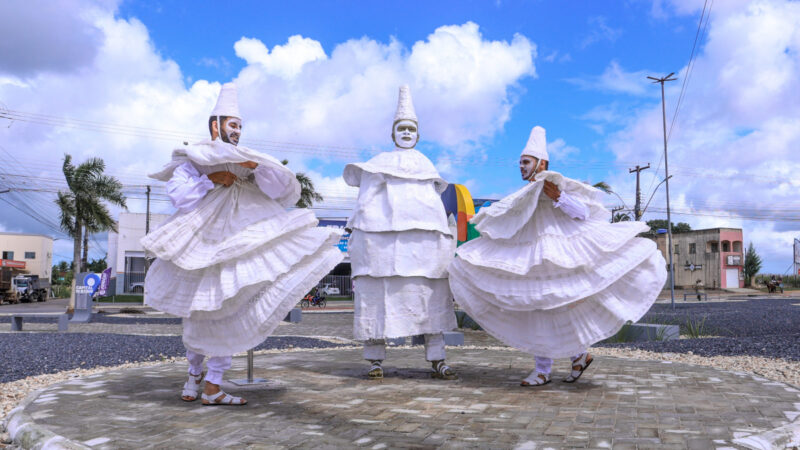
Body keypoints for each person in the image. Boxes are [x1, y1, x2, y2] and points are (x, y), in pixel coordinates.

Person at [142, 83, 344, 405]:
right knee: (198, 309)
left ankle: (214, 383)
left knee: (229, 308)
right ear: (215, 125)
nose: (236, 131)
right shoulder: (196, 160)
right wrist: (211, 178)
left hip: (242, 233)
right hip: (202, 240)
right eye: (232, 125)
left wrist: (257, 168)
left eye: (240, 126)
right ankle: (194, 375)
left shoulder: (249, 160)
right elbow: (179, 194)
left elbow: (278, 190)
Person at [448, 126, 667, 386]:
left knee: (555, 305)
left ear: (542, 163)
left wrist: (559, 197)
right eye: (519, 162)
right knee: (538, 308)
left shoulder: (555, 184)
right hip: (533, 256)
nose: (521, 166)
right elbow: (506, 213)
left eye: (526, 162)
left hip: (557, 254)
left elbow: (583, 213)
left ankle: (561, 362)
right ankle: (562, 361)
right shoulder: (525, 193)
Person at [343, 85, 457, 380]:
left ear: (418, 135)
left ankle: (437, 358)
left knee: (427, 297)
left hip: (422, 248)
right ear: (393, 133)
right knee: (377, 296)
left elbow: (434, 205)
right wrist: (361, 231)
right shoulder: (379, 163)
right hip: (382, 245)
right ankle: (375, 360)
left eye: (411, 129)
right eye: (401, 128)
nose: (406, 133)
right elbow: (366, 199)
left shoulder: (425, 165)